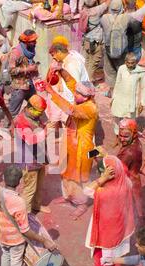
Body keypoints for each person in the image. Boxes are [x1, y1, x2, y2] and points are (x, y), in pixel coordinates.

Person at [0, 166, 58, 266]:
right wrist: (44, 240)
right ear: (19, 181)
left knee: (5, 256)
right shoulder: (19, 202)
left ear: (3, 178)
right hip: (16, 240)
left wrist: (2, 224)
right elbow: (25, 230)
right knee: (16, 261)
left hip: (2, 235)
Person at [44, 67, 98, 220]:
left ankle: (81, 203)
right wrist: (61, 71)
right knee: (65, 171)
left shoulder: (90, 108)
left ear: (87, 96)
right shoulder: (82, 95)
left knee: (78, 177)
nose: (74, 94)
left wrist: (51, 92)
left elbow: (70, 110)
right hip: (69, 142)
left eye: (77, 94)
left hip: (81, 148)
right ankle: (68, 196)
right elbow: (71, 82)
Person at [83, 155, 135, 266]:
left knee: (101, 263)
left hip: (105, 234)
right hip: (121, 232)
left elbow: (86, 191)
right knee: (116, 260)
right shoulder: (127, 184)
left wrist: (102, 179)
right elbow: (122, 167)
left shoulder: (103, 192)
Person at [100, 0, 145, 97]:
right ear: (121, 8)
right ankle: (123, 94)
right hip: (121, 51)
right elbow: (138, 15)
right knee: (123, 71)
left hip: (107, 50)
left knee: (110, 72)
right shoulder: (125, 18)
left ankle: (112, 92)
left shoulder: (103, 18)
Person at [14, 94, 51, 214]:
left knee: (39, 186)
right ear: (30, 108)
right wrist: (46, 131)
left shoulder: (34, 117)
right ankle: (26, 214)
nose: (41, 114)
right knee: (29, 189)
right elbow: (30, 140)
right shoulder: (21, 121)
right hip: (28, 161)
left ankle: (36, 206)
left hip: (39, 157)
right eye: (39, 112)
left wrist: (46, 126)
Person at [46, 38, 90, 129]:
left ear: (59, 52)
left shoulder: (71, 64)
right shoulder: (67, 59)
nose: (53, 58)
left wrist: (72, 108)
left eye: (53, 55)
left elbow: (74, 88)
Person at [110, 52, 145, 136]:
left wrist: (142, 103)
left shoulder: (140, 71)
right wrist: (113, 98)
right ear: (125, 61)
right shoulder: (121, 68)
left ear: (136, 62)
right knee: (117, 117)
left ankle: (128, 137)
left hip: (132, 100)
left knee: (130, 120)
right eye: (128, 63)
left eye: (132, 63)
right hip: (120, 98)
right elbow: (117, 83)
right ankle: (117, 135)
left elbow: (144, 88)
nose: (130, 65)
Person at [116, 118, 143, 225]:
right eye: (120, 135)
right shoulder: (136, 143)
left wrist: (96, 156)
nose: (122, 139)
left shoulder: (129, 152)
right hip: (134, 181)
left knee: (130, 214)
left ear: (134, 134)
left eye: (126, 136)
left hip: (129, 185)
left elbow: (115, 170)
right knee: (136, 210)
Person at [8, 30, 40, 118]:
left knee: (36, 105)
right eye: (33, 41)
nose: (35, 43)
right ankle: (9, 129)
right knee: (13, 113)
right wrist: (27, 69)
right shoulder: (16, 52)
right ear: (26, 41)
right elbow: (11, 70)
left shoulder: (30, 51)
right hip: (19, 87)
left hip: (29, 85)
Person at [78, 0, 110, 81]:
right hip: (96, 41)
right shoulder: (97, 10)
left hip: (86, 40)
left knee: (87, 62)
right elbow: (107, 3)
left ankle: (84, 80)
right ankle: (88, 82)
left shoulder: (83, 11)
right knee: (93, 63)